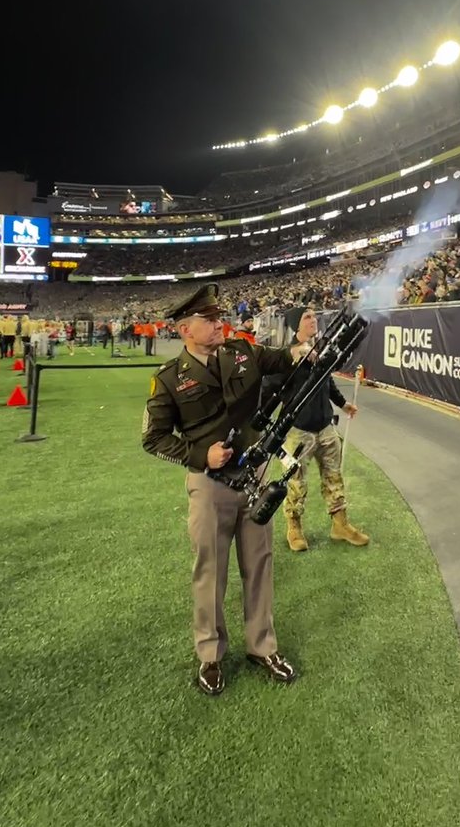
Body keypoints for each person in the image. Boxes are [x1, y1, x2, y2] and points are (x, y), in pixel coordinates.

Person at [142, 283, 307, 697]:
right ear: (185, 330)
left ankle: (262, 646)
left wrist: (301, 350)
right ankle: (211, 655)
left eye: (219, 318)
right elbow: (154, 438)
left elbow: (282, 359)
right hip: (210, 484)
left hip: (254, 476)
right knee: (210, 572)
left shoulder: (242, 351)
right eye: (209, 320)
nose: (220, 324)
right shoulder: (168, 380)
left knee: (260, 565)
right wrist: (200, 455)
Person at [280, 306, 369, 553]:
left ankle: (340, 525)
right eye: (307, 317)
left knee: (334, 477)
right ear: (295, 325)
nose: (313, 320)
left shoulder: (320, 351)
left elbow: (326, 381)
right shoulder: (285, 356)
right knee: (296, 482)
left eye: (314, 316)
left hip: (326, 427)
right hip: (298, 431)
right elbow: (272, 388)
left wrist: (343, 404)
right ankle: (294, 527)